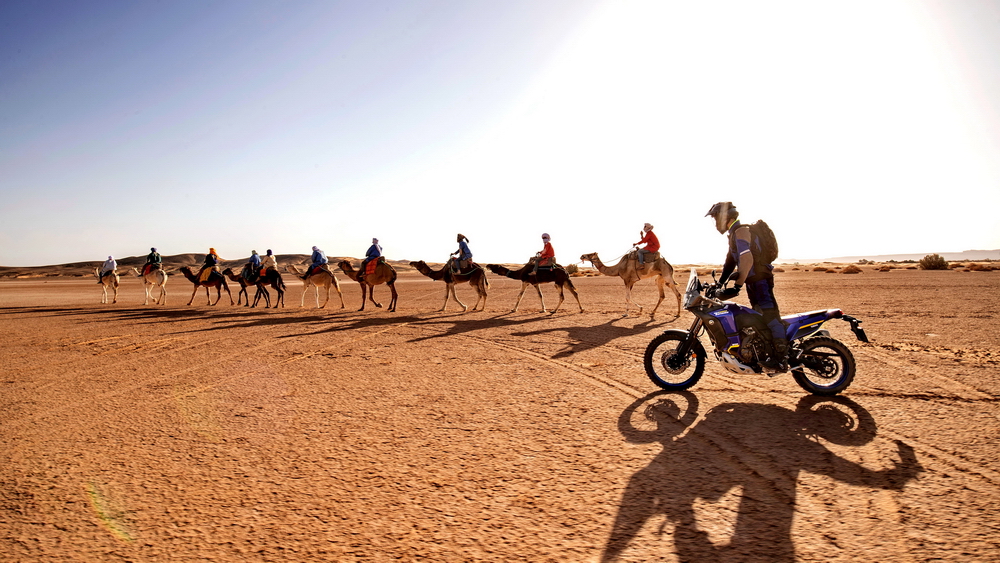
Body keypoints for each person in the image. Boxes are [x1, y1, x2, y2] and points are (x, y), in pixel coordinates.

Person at [705, 202, 787, 371]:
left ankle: (781, 358)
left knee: (770, 315)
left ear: (725, 217)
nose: (715, 223)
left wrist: (737, 286)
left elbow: (746, 259)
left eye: (716, 218)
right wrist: (719, 284)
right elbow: (729, 263)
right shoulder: (733, 234)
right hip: (753, 282)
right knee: (760, 316)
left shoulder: (741, 231)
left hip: (761, 280)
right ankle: (766, 352)